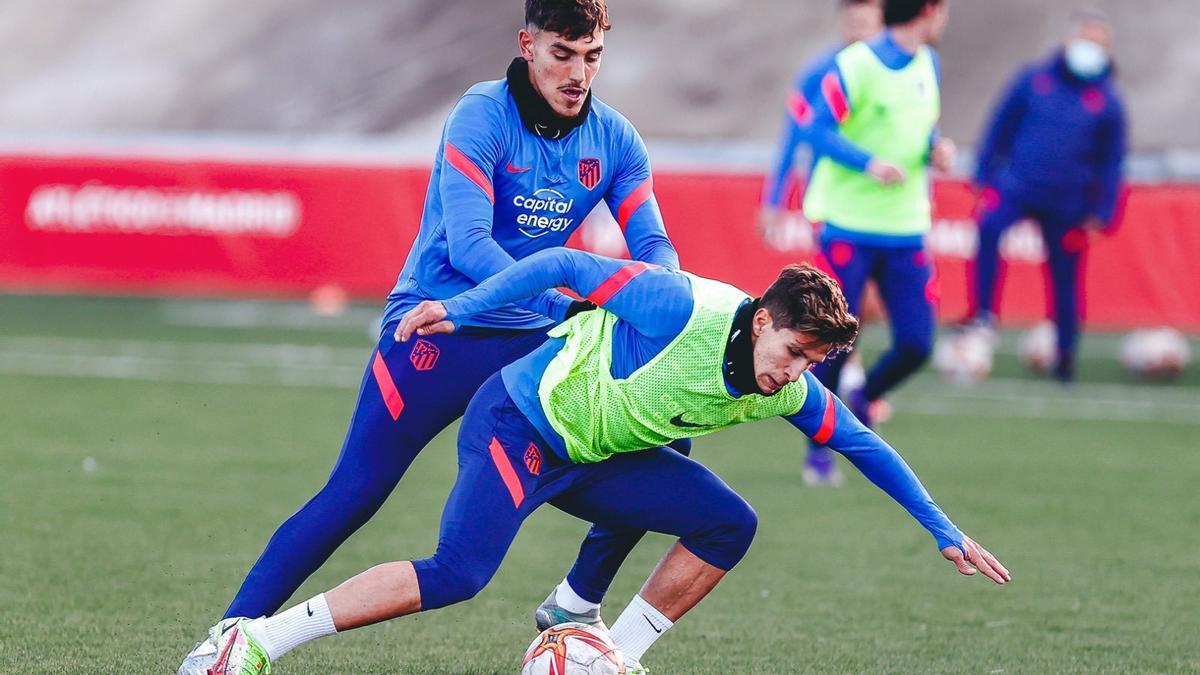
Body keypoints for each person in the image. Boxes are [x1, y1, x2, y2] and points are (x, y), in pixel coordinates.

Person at [178, 1, 690, 672]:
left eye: (591, 57)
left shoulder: (616, 139)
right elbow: (471, 245)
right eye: (562, 54)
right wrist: (570, 305)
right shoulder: (481, 114)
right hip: (436, 327)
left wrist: (666, 293)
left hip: (530, 342)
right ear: (528, 45)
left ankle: (575, 601)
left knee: (659, 430)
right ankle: (229, 638)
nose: (578, 73)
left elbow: (652, 241)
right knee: (355, 491)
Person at [206, 249, 1010, 674]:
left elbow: (861, 442)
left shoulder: (784, 386)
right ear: (762, 318)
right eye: (794, 350)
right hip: (520, 421)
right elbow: (564, 265)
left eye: (813, 362)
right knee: (459, 572)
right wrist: (456, 310)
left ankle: (600, 650)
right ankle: (259, 643)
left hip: (596, 456)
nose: (796, 373)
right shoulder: (684, 306)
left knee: (729, 521)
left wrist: (943, 527)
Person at [796, 0, 954, 486]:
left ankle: (862, 403)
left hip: (906, 227)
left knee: (916, 343)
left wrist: (935, 149)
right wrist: (867, 163)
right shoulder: (856, 65)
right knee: (837, 340)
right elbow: (816, 129)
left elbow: (921, 129)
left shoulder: (930, 64)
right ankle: (820, 447)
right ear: (928, 10)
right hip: (849, 224)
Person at [965, 9, 1127, 382]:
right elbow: (999, 125)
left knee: (1066, 278)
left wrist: (1103, 209)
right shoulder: (1035, 79)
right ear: (1069, 41)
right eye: (1085, 40)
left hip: (1069, 202)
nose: (1089, 50)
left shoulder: (1107, 101)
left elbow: (1112, 161)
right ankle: (984, 314)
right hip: (1019, 187)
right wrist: (984, 174)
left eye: (1098, 44)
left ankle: (1065, 355)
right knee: (989, 228)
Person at [760, 0, 883, 486]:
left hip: (890, 218)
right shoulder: (823, 73)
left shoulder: (899, 70)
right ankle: (830, 414)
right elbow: (795, 138)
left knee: (871, 311)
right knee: (844, 311)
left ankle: (852, 379)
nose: (859, 27)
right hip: (838, 213)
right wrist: (775, 198)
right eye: (852, 18)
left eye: (867, 19)